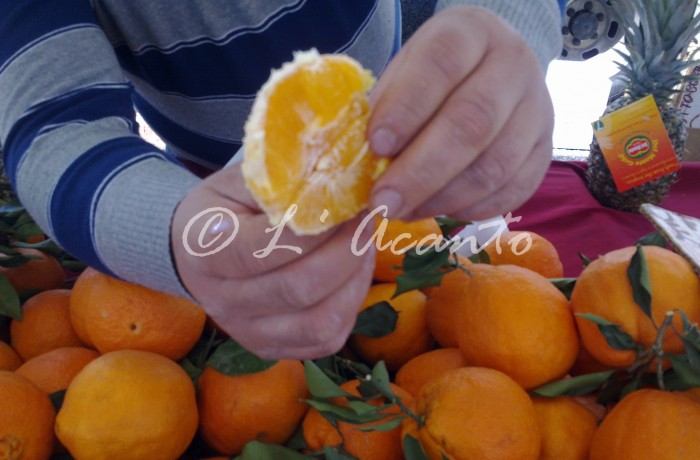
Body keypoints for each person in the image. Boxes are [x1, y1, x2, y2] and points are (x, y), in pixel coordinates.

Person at [0, 0, 566, 359]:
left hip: (391, 131)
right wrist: (171, 232)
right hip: (212, 190)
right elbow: (53, 126)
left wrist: (509, 19)